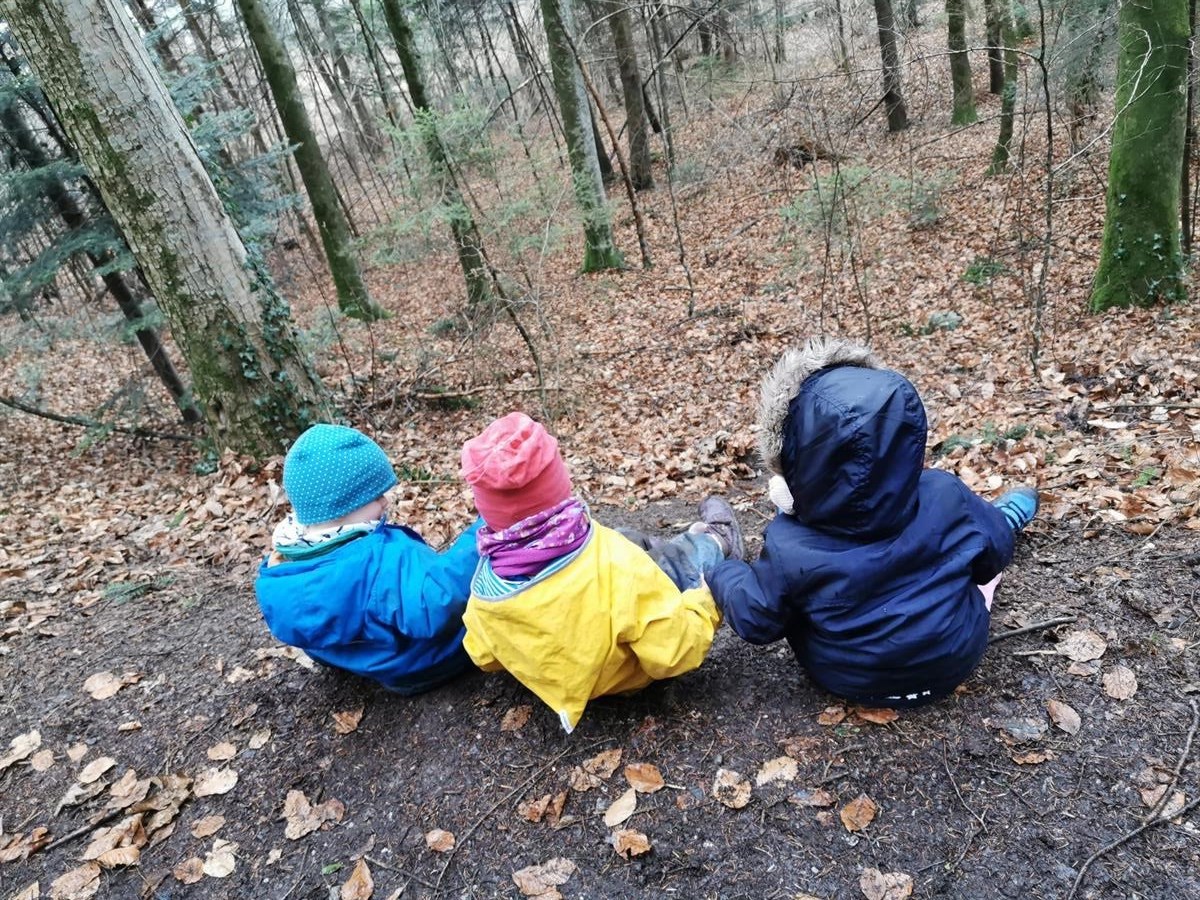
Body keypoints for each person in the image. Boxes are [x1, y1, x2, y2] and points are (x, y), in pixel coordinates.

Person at [707, 337, 1039, 708]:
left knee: (794, 597)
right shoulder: (946, 494)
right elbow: (992, 560)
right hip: (954, 659)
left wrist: (724, 573)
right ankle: (1007, 517)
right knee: (980, 539)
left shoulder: (788, 543)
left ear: (792, 464)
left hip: (847, 678)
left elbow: (756, 619)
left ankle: (999, 520)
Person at [458, 411, 739, 732]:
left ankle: (668, 545)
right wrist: (704, 606)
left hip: (575, 658)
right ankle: (715, 539)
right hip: (622, 676)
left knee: (623, 535)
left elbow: (482, 654)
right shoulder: (618, 567)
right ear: (558, 487)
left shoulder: (486, 594)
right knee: (675, 561)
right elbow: (672, 649)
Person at [254, 423, 481, 695]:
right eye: (375, 496)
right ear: (343, 505)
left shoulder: (284, 566)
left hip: (368, 659)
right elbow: (439, 601)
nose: (385, 501)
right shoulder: (381, 562)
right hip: (423, 663)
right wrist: (483, 531)